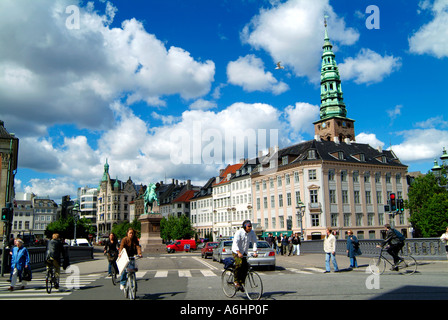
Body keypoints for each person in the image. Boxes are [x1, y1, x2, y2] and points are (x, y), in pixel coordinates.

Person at [231, 220, 258, 291]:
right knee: (239, 264)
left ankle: (241, 283)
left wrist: (255, 251)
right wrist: (238, 252)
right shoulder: (239, 232)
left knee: (246, 267)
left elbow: (254, 242)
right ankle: (236, 281)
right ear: (244, 226)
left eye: (251, 226)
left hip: (244, 252)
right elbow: (235, 243)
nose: (250, 227)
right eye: (248, 226)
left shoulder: (251, 233)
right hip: (236, 251)